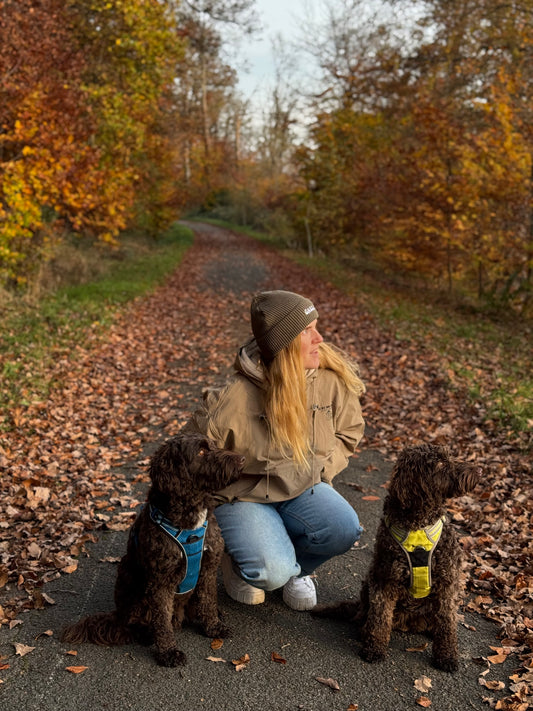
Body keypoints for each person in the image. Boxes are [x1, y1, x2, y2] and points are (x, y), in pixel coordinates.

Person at [184, 289, 365, 610]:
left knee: (343, 528)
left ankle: (298, 570)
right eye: (307, 331)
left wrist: (320, 471)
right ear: (284, 344)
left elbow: (349, 432)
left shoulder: (328, 380)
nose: (320, 338)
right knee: (269, 572)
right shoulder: (230, 400)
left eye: (316, 327)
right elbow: (188, 460)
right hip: (243, 497)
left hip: (304, 488)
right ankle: (244, 563)